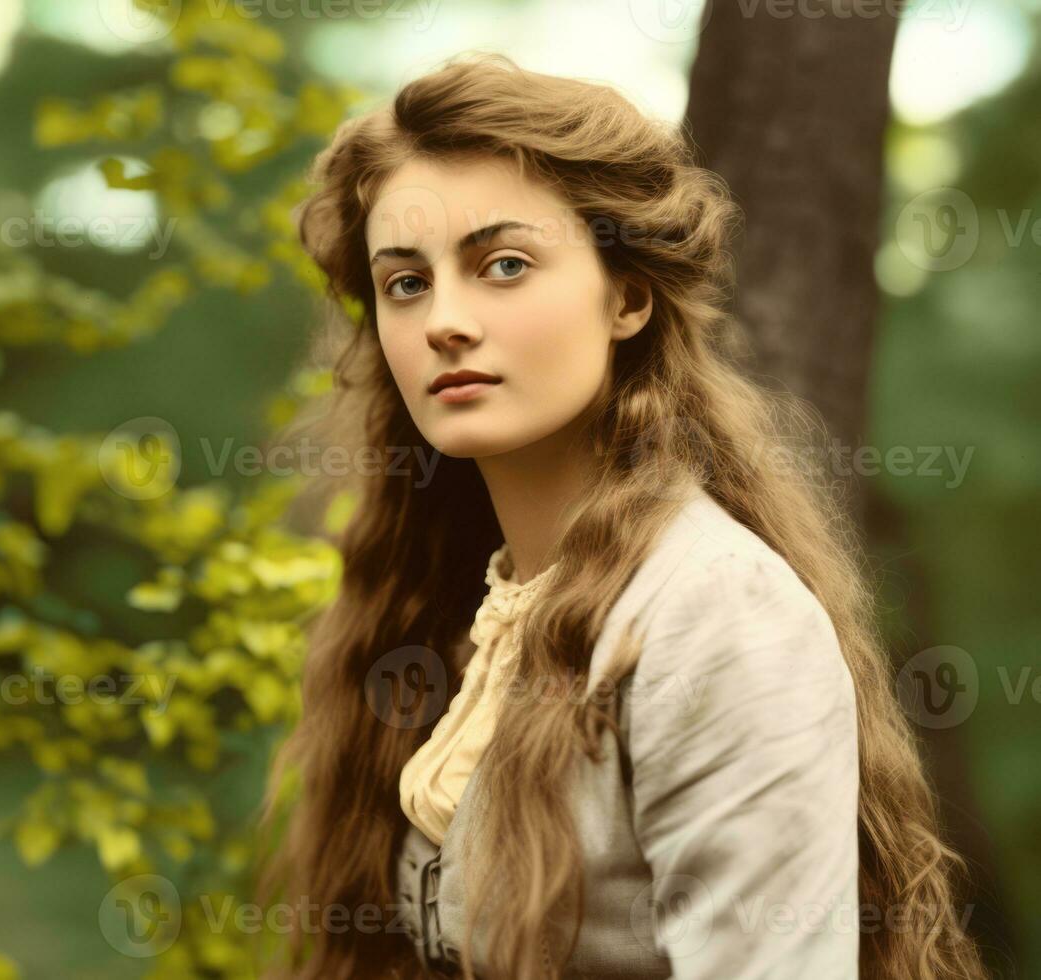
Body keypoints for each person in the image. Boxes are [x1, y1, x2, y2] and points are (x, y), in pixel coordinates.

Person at [254, 53, 986, 980]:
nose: (443, 319)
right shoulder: (452, 609)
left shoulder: (714, 615)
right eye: (406, 282)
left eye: (503, 264)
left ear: (628, 297)